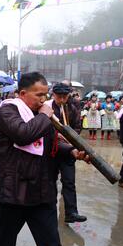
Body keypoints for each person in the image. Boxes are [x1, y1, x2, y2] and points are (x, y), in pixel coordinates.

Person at [0, 72, 90, 246]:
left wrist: (71, 151)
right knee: (7, 238)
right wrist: (44, 116)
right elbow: (24, 134)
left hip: (42, 192)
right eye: (39, 95)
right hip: (14, 191)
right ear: (23, 93)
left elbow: (51, 143)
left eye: (46, 95)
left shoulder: (42, 115)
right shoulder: (8, 110)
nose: (44, 100)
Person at [45, 83, 87, 223]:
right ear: (53, 95)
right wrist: (56, 136)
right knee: (50, 181)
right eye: (59, 97)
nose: (62, 100)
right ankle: (48, 211)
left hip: (69, 151)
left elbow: (77, 127)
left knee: (69, 182)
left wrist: (71, 136)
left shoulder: (73, 109)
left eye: (65, 96)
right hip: (52, 151)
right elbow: (43, 127)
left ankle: (71, 212)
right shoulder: (47, 107)